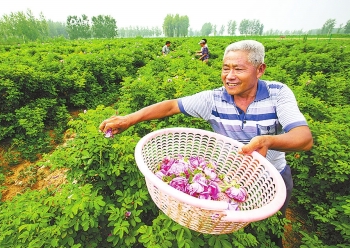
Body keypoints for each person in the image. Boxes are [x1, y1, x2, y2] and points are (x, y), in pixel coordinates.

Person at [99, 40, 313, 247]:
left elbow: (303, 138)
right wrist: (129, 119)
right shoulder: (214, 99)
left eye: (238, 69)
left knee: (271, 229)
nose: (229, 76)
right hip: (227, 177)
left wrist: (269, 140)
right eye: (225, 68)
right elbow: (171, 106)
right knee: (231, 229)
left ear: (260, 70)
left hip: (272, 177)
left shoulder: (278, 93)